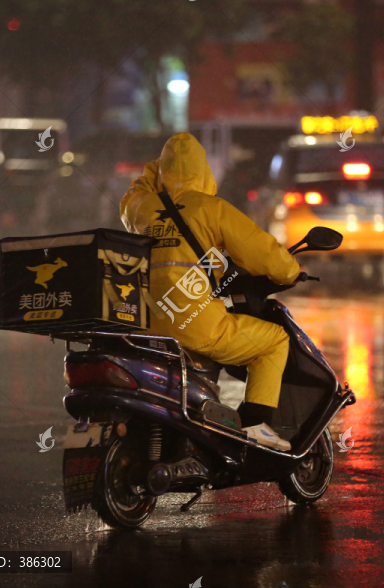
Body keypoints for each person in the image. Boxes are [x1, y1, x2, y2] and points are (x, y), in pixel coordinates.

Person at [120, 132, 300, 451]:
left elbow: (134, 191)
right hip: (195, 324)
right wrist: (291, 271)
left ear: (160, 170)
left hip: (145, 325)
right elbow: (262, 252)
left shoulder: (141, 209)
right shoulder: (212, 209)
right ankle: (256, 425)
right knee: (274, 341)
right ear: (204, 171)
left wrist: (158, 172)